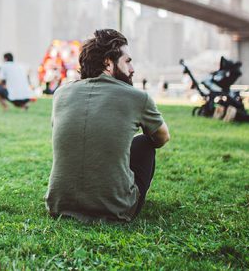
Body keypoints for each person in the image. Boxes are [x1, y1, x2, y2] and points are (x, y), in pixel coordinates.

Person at [45, 29, 170, 222]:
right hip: (115, 209)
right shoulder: (137, 97)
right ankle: (118, 197)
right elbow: (162, 138)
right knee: (144, 143)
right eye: (127, 61)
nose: (132, 68)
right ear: (108, 63)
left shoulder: (61, 93)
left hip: (59, 204)